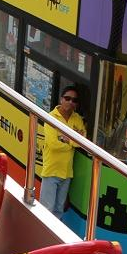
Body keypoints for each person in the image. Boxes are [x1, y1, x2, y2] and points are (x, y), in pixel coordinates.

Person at [39, 85, 86, 219]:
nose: (70, 102)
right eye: (67, 98)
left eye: (74, 100)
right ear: (61, 99)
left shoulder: (77, 119)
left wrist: (66, 140)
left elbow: (82, 141)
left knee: (59, 209)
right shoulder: (51, 117)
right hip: (52, 170)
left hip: (67, 173)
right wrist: (72, 142)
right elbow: (53, 144)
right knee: (46, 210)